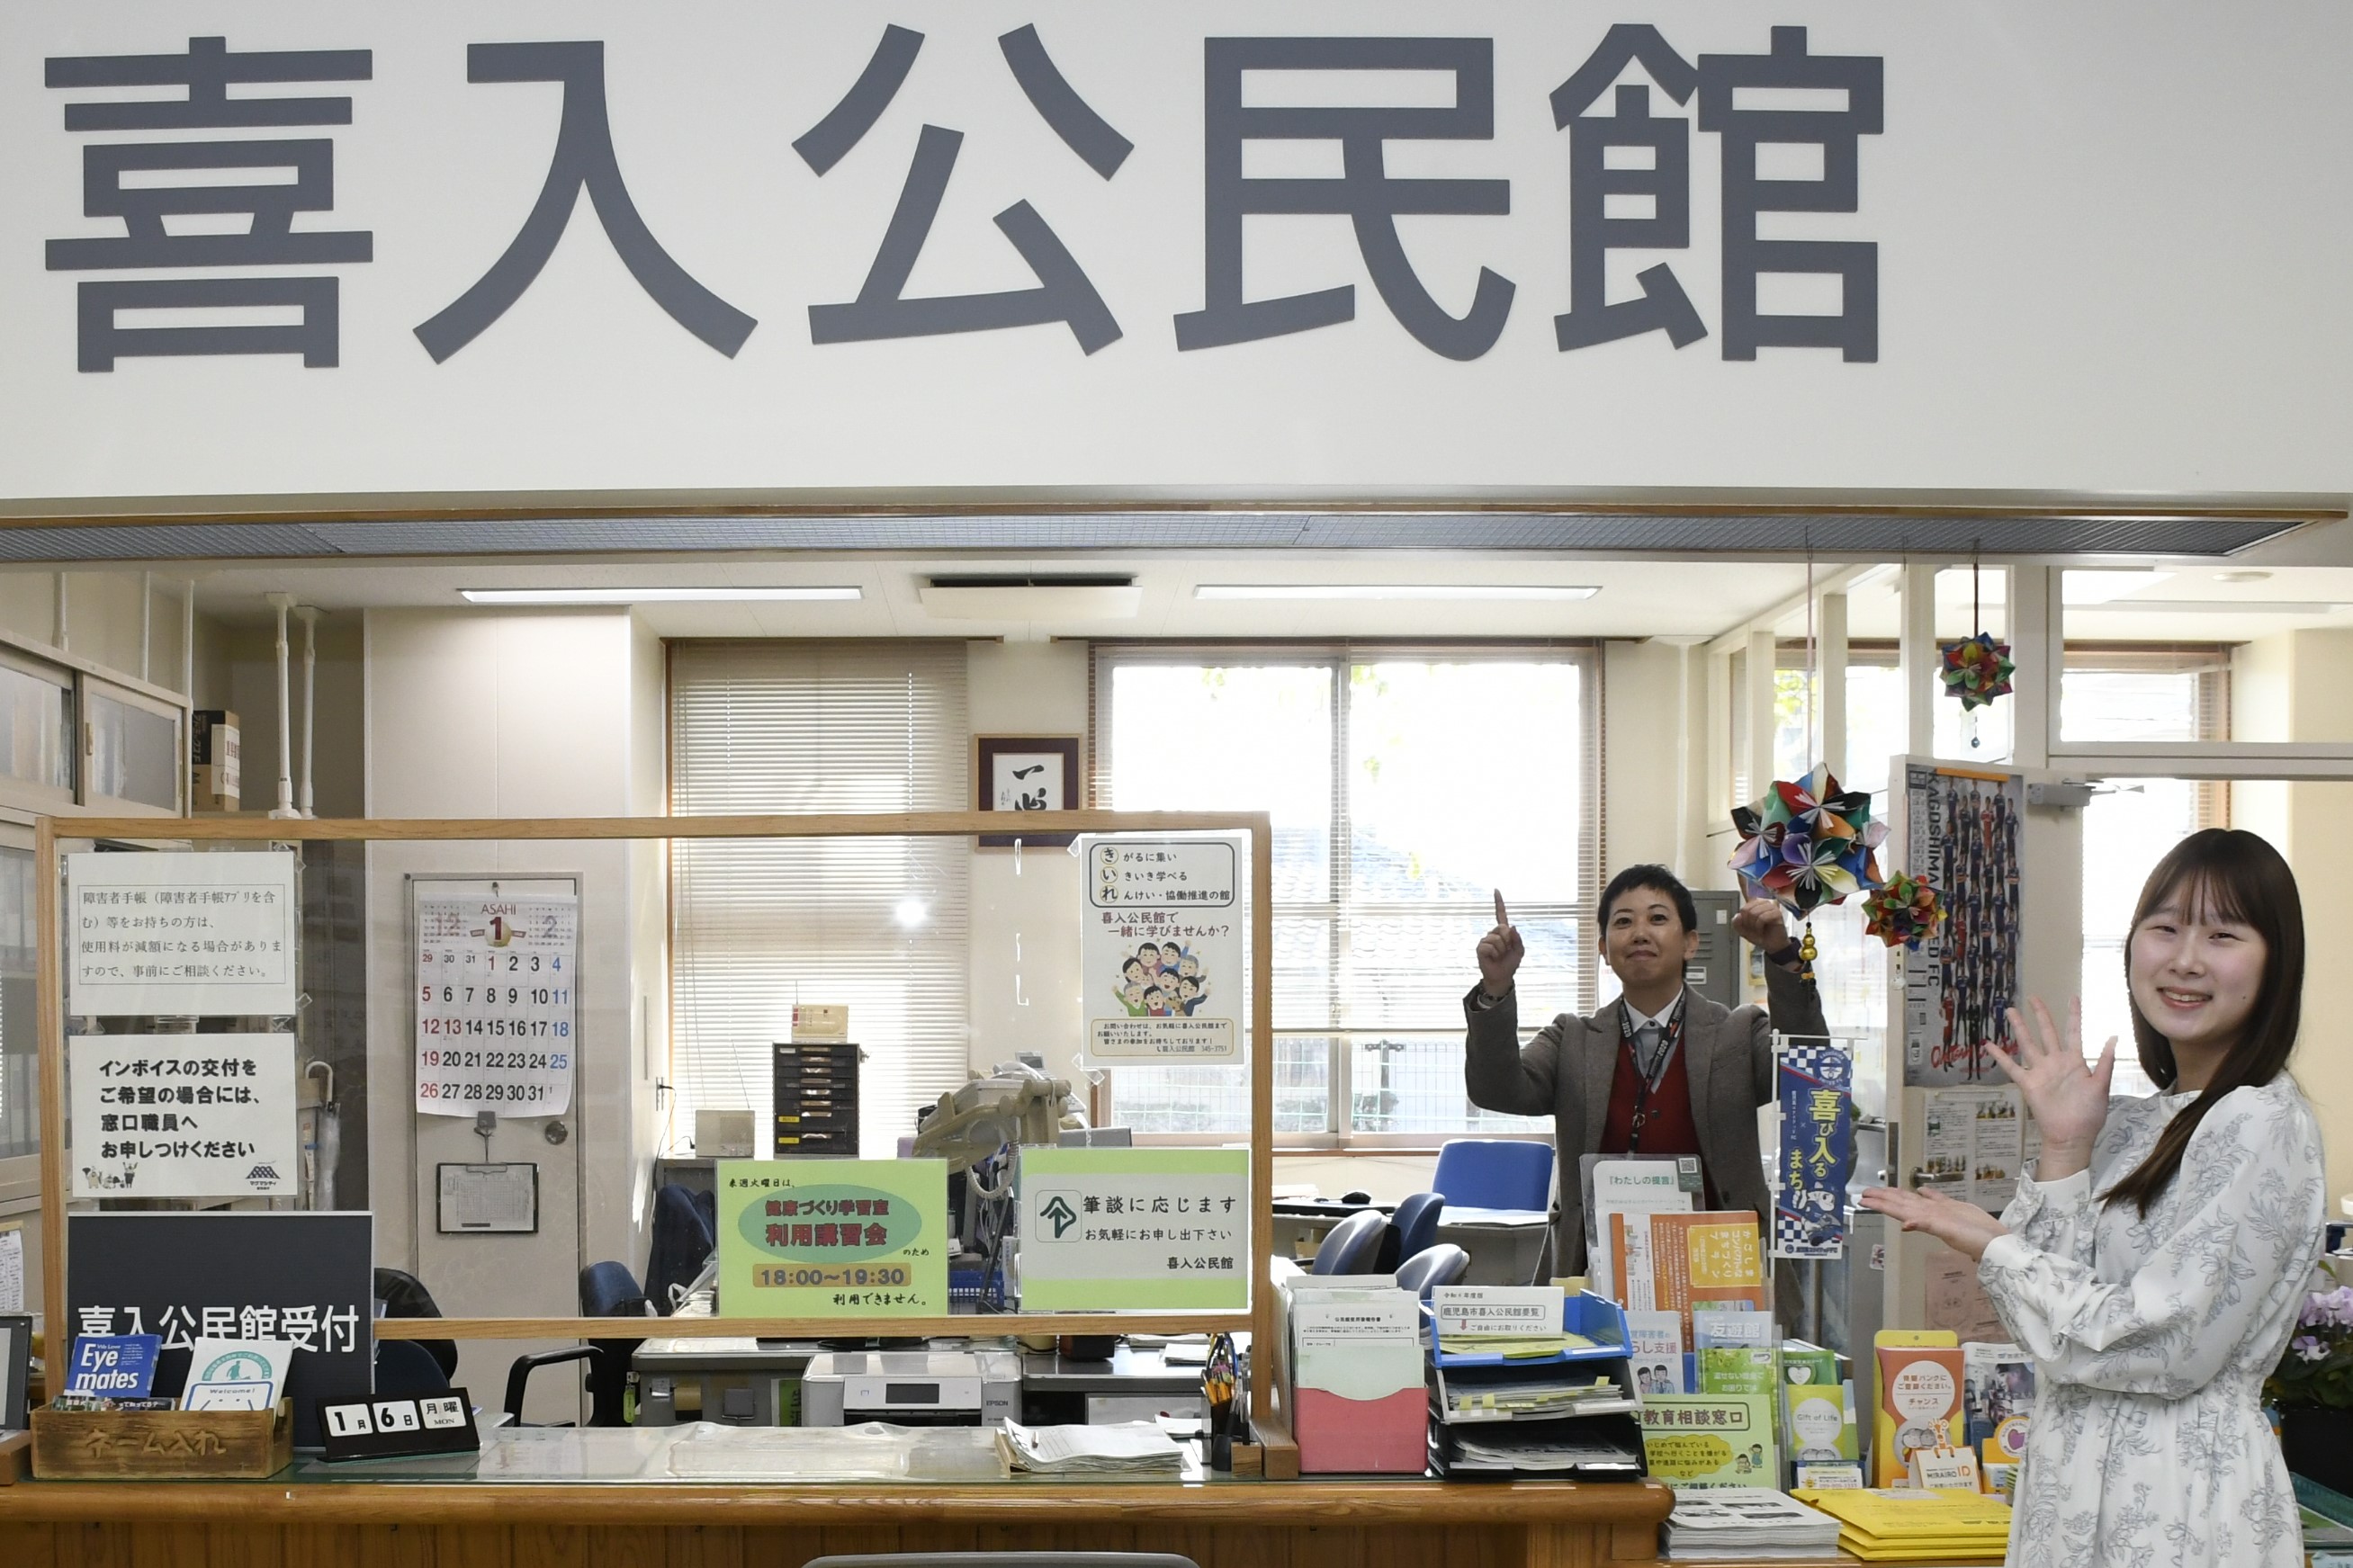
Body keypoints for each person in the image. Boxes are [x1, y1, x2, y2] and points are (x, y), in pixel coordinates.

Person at [1861, 829, 2324, 1567]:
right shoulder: (2141, 1119)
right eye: (2165, 928)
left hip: (2180, 1495)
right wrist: (2066, 1145)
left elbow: (2162, 1346)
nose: (2184, 959)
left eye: (2223, 934)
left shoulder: (2260, 1119)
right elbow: (2040, 1332)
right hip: (2071, 1483)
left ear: (2274, 963)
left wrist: (1993, 1241)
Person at [1465, 864, 1827, 1277]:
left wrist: (1781, 954)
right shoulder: (1572, 1038)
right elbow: (1496, 1091)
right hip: (1596, 1267)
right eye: (1623, 922)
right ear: (1603, 948)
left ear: (1691, 942)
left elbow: (1811, 1068)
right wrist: (1495, 988)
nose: (1640, 932)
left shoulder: (1738, 1031)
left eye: (1658, 918)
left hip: (1722, 1265)